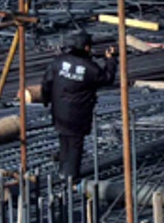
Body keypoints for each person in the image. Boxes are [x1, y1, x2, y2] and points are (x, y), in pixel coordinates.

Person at [39, 30, 117, 180]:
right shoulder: (90, 68)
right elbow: (107, 78)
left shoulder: (59, 61)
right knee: (75, 144)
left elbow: (47, 82)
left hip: (59, 111)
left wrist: (46, 100)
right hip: (78, 114)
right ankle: (71, 176)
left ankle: (63, 171)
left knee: (64, 140)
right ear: (86, 48)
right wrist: (110, 60)